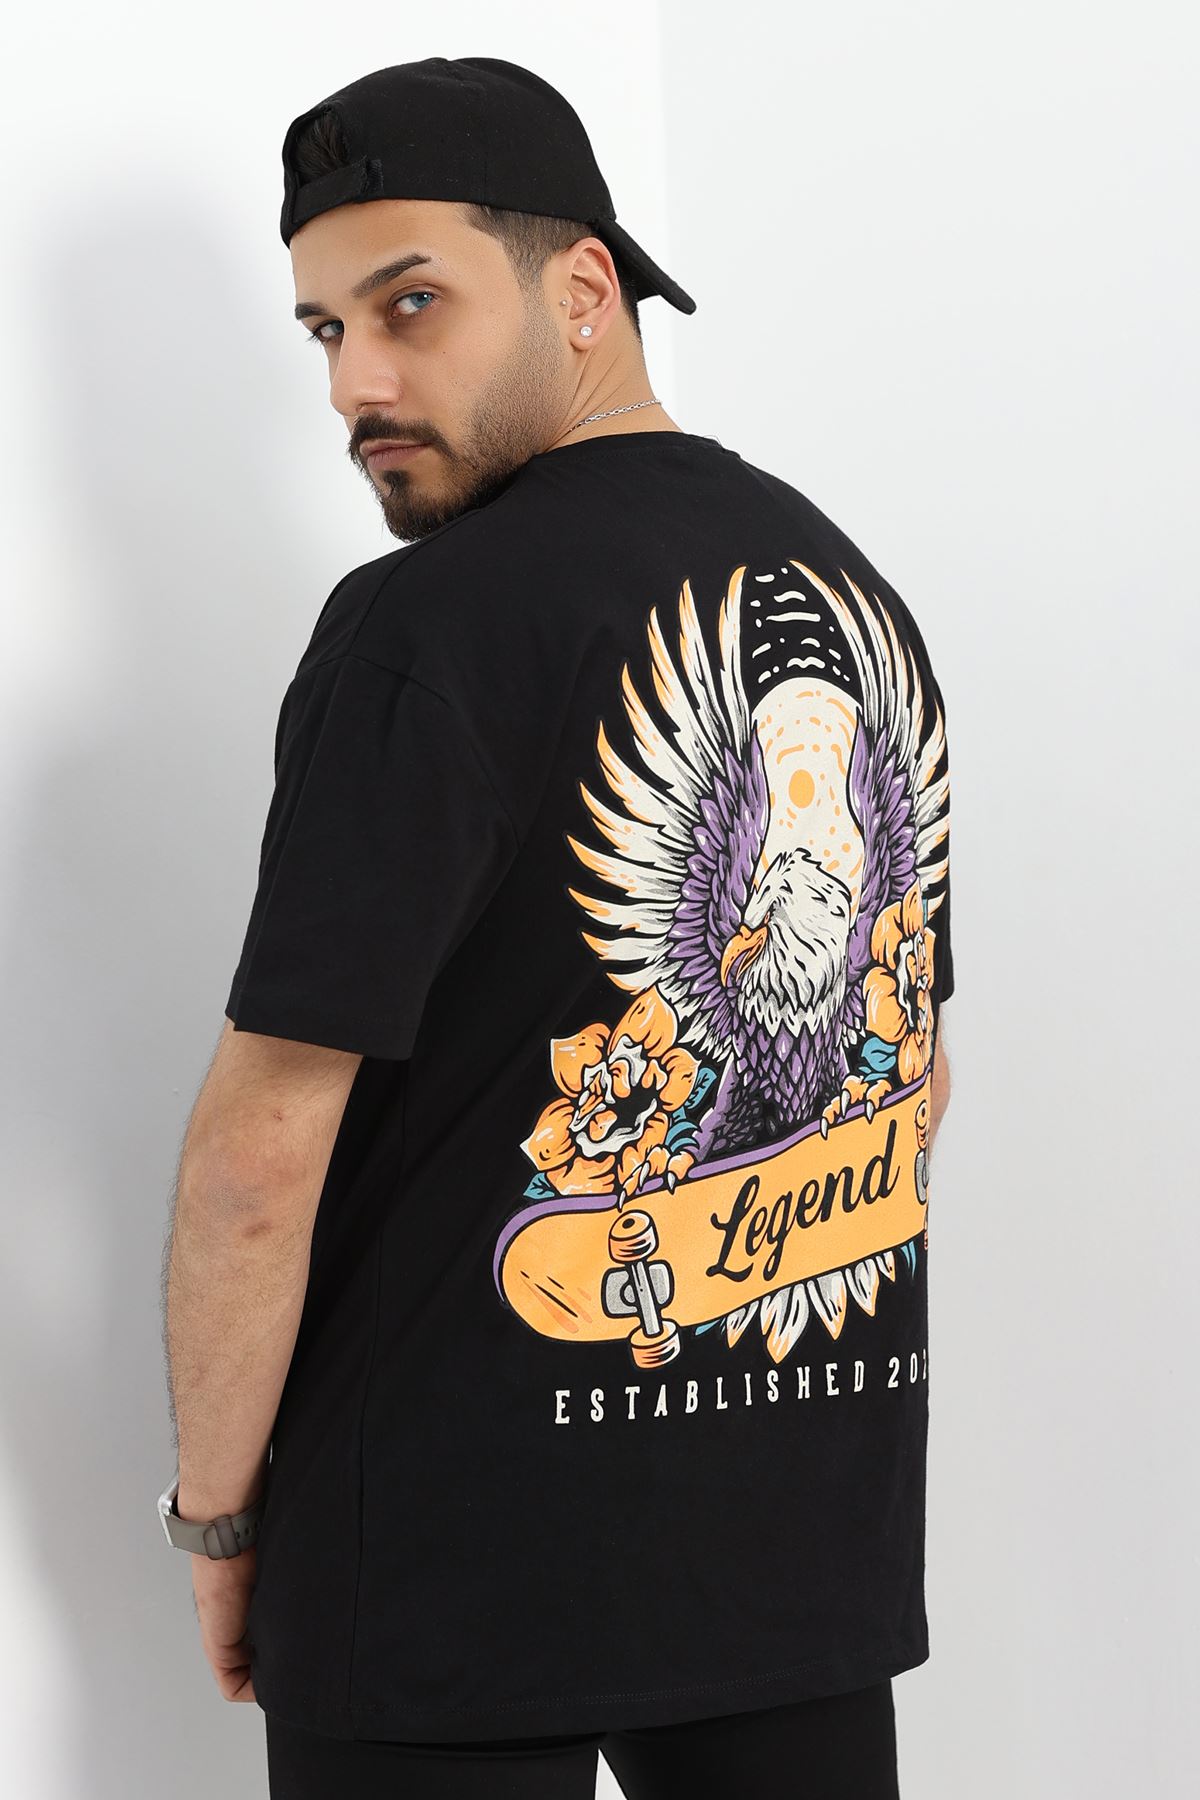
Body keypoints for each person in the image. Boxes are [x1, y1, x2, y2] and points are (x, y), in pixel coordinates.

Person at [159, 55, 955, 1800]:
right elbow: (911, 1076)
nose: (357, 382)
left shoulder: (425, 627)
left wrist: (217, 1517)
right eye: (323, 331)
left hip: (442, 1569)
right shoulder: (853, 600)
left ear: (584, 288)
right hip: (795, 1545)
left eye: (410, 305)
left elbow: (256, 1160)